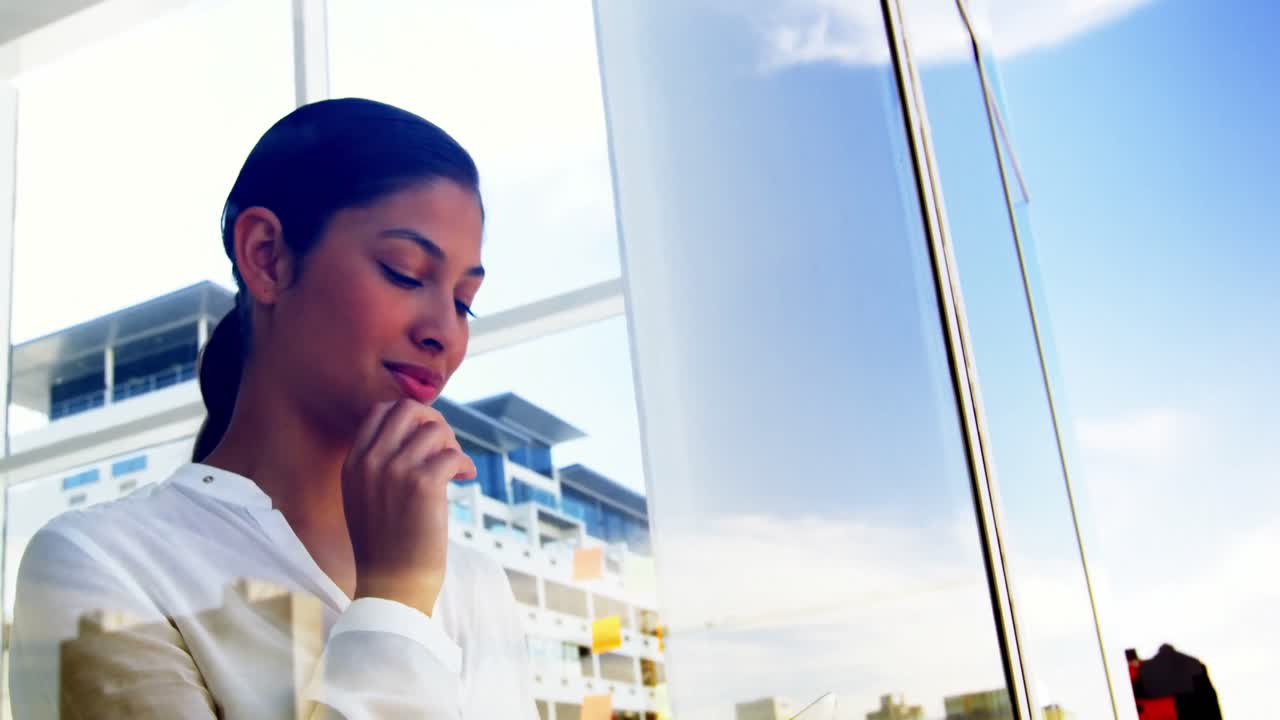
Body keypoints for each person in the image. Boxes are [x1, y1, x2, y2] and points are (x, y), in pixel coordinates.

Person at [9, 98, 539, 719]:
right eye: (404, 272)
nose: (445, 333)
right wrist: (395, 602)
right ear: (266, 256)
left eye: (465, 301)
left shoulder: (474, 584)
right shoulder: (100, 562)